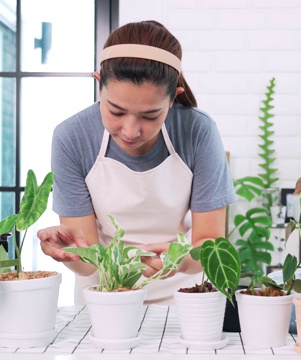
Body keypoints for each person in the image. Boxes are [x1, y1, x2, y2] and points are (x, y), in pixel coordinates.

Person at [37, 20, 236, 305]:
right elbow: (88, 260)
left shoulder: (197, 131)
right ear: (98, 85)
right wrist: (70, 252)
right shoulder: (72, 137)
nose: (131, 131)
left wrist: (177, 260)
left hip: (184, 297)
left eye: (150, 116)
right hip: (103, 298)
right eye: (116, 111)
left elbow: (209, 242)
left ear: (173, 100)